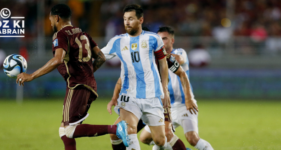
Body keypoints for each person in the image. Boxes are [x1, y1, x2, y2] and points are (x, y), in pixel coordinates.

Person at [15, 4, 129, 150]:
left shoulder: (60, 35)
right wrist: (87, 73)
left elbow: (58, 60)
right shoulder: (83, 34)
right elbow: (101, 57)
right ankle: (115, 129)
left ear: (56, 18)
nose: (50, 22)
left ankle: (115, 128)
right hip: (88, 85)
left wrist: (31, 75)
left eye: (50, 19)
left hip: (77, 85)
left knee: (69, 130)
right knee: (64, 131)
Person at [107, 27, 198, 150]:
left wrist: (188, 98)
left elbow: (182, 73)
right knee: (116, 133)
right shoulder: (133, 57)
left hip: (155, 103)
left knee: (164, 137)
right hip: (135, 102)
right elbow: (121, 79)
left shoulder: (164, 57)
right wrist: (114, 98)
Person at [101, 4, 172, 150]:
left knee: (160, 140)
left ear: (140, 20)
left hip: (152, 95)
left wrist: (164, 88)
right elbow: (98, 56)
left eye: (131, 19)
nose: (127, 22)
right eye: (125, 19)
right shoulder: (117, 41)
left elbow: (163, 63)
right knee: (129, 131)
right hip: (129, 95)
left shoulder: (153, 39)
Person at [140, 26, 214, 150]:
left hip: (184, 105)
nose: (161, 42)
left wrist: (159, 55)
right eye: (159, 39)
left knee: (192, 138)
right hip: (165, 106)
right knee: (145, 138)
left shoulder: (180, 52)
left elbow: (179, 59)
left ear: (172, 41)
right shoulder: (154, 60)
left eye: (164, 39)